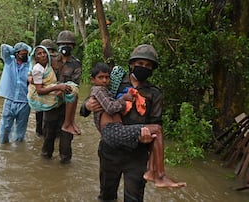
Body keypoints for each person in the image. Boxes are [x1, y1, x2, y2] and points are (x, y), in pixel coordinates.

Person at [80, 44, 183, 201]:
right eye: (140, 64)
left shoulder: (154, 93)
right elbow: (89, 105)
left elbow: (156, 122)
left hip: (137, 155)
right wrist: (86, 106)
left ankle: (157, 173)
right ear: (132, 64)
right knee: (106, 196)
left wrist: (148, 139)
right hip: (110, 152)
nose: (143, 67)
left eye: (148, 65)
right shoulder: (113, 82)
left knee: (134, 198)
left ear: (152, 69)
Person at [41, 30, 82, 164]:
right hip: (50, 105)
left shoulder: (76, 64)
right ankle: (44, 166)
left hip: (67, 108)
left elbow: (75, 85)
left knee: (65, 142)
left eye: (68, 44)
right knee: (48, 137)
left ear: (73, 46)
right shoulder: (50, 60)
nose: (65, 46)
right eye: (62, 44)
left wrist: (63, 90)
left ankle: (64, 166)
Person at [27, 45, 80, 135]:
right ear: (35, 57)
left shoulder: (51, 63)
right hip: (42, 94)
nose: (43, 55)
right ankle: (67, 124)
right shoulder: (37, 68)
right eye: (39, 54)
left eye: (44, 53)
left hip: (51, 89)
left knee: (73, 91)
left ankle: (71, 122)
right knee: (46, 129)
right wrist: (58, 87)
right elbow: (39, 90)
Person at [0, 42, 32, 144]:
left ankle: (18, 152)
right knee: (5, 128)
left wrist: (25, 50)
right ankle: (4, 148)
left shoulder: (30, 64)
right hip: (10, 100)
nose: (25, 55)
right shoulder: (9, 61)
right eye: (22, 54)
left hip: (25, 102)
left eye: (26, 53)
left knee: (21, 131)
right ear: (16, 54)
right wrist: (14, 50)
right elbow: (3, 47)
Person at [34, 39, 59, 137]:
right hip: (41, 97)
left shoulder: (56, 64)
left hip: (52, 97)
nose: (45, 54)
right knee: (39, 120)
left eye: (48, 51)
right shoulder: (36, 67)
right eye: (41, 53)